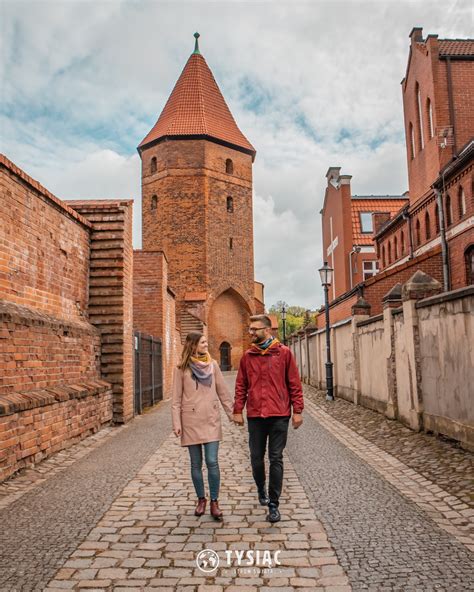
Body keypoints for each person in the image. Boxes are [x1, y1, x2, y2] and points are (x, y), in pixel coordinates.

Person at [233, 314, 304, 523]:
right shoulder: (247, 357)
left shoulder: (284, 354)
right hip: (255, 414)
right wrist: (238, 410)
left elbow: (294, 384)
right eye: (250, 329)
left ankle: (274, 504)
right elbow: (241, 385)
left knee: (276, 458)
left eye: (254, 329)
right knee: (256, 458)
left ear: (267, 330)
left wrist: (297, 410)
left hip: (279, 414)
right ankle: (260, 488)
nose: (251, 332)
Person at [172, 331, 234, 521]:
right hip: (190, 420)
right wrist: (176, 422)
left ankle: (214, 501)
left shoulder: (213, 365)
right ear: (193, 345)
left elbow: (223, 392)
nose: (206, 345)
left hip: (211, 419)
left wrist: (233, 414)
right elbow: (176, 399)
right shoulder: (181, 368)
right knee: (195, 464)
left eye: (206, 341)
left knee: (212, 461)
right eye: (203, 342)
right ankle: (201, 499)